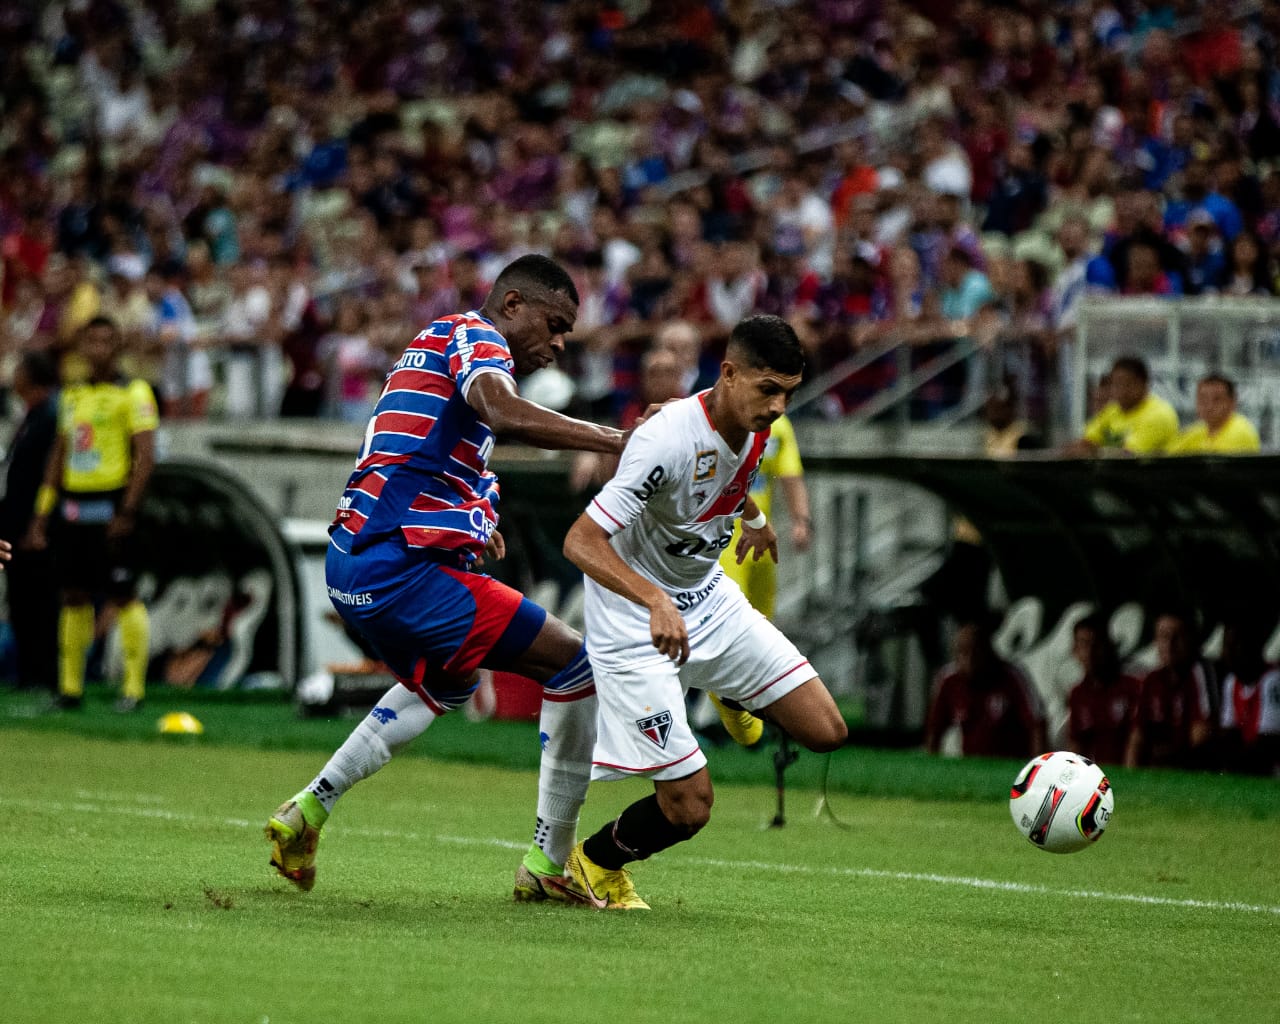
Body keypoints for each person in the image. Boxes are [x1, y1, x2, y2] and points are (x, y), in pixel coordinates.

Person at [262, 255, 630, 900]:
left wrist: (474, 517)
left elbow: (422, 447)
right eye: (555, 322)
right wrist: (615, 439)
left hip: (358, 563)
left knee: (449, 682)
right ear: (512, 304)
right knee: (577, 667)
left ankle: (308, 811)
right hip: (397, 566)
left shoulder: (440, 344)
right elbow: (504, 415)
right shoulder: (479, 338)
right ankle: (547, 867)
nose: (561, 341)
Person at [549, 314, 848, 910]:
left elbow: (730, 486)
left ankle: (726, 688)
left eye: (790, 391)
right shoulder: (666, 439)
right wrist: (655, 599)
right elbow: (580, 541)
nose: (780, 405)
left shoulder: (755, 425)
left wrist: (759, 522)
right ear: (729, 373)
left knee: (826, 731)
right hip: (636, 620)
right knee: (690, 807)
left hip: (708, 599)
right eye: (769, 389)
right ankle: (594, 863)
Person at [27, 317, 157, 712]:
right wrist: (41, 515)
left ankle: (133, 690)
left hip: (111, 501)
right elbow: (59, 454)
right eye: (91, 341)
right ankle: (70, 689)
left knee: (122, 592)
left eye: (106, 340)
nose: (98, 348)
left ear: (118, 346)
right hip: (73, 504)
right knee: (72, 594)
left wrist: (129, 509)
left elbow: (145, 456)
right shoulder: (72, 395)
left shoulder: (133, 392)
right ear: (82, 347)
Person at [711, 411, 812, 745]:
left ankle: (746, 706)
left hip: (760, 540)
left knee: (762, 624)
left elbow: (790, 474)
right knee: (726, 623)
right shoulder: (722, 420)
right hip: (723, 541)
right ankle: (714, 713)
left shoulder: (779, 427)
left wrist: (800, 520)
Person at [0, 351, 61, 691]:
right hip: (15, 521)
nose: (12, 374)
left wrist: (38, 521)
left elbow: (47, 475)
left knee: (39, 600)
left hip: (34, 525)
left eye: (18, 368)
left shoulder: (51, 416)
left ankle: (45, 675)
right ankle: (26, 674)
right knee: (21, 601)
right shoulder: (31, 415)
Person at [924, 616, 1045, 759]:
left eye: (975, 651)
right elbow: (935, 729)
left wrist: (1037, 765)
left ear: (987, 649)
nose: (969, 659)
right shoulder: (949, 680)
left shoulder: (1012, 676)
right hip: (971, 764)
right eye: (963, 652)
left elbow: (1036, 724)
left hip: (1011, 762)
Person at [1125, 611, 1215, 769]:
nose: (1170, 644)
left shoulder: (1200, 672)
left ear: (1191, 639)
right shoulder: (1151, 680)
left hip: (1191, 768)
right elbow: (1137, 737)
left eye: (1177, 637)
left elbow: (1201, 735)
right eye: (1163, 636)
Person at [1066, 613, 1141, 766]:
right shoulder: (1078, 694)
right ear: (1075, 650)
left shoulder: (1132, 686)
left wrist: (1130, 777)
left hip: (1132, 776)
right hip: (1099, 778)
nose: (1090, 652)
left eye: (1096, 645)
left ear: (1108, 646)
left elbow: (1137, 738)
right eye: (1084, 644)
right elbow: (1077, 745)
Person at [1067, 355, 1178, 456]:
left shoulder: (1159, 415)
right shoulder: (1112, 411)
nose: (1120, 391)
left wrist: (1094, 451)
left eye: (1127, 384)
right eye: (1116, 384)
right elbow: (1085, 443)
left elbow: (1127, 456)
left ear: (1144, 384)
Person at [1217, 616, 1280, 776]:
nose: (1229, 652)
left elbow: (1268, 743)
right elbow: (1228, 734)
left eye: (1236, 644)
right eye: (1226, 645)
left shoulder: (1272, 680)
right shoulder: (1232, 682)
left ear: (1254, 646)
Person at [1167, 374, 1261, 454]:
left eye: (1217, 400)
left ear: (1232, 402)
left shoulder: (1240, 431)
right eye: (1203, 399)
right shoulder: (1198, 430)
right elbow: (1166, 457)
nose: (1209, 406)